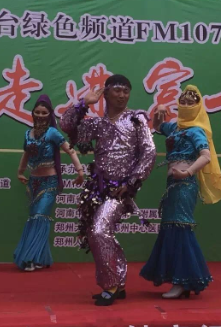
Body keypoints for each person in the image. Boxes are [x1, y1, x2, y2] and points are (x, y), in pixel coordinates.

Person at [60, 74, 156, 306]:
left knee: (100, 230)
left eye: (126, 91)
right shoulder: (98, 124)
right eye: (117, 90)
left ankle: (110, 285)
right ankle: (118, 283)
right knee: (98, 234)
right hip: (97, 189)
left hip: (120, 190)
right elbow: (67, 126)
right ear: (106, 93)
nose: (122, 95)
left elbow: (149, 151)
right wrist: (84, 103)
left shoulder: (136, 119)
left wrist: (131, 183)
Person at [140, 85, 221, 299]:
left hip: (185, 185)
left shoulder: (196, 131)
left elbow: (205, 156)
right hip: (173, 183)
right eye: (183, 102)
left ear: (198, 107)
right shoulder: (176, 128)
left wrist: (187, 173)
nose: (186, 106)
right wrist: (159, 110)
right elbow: (157, 126)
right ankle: (182, 280)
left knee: (179, 226)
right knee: (172, 226)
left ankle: (182, 281)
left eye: (190, 103)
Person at [14, 94, 84, 272]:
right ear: (33, 113)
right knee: (35, 218)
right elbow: (26, 154)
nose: (40, 115)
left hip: (49, 182)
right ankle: (41, 257)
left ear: (50, 114)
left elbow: (70, 151)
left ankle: (30, 258)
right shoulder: (28, 134)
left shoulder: (52, 133)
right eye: (37, 112)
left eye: (44, 113)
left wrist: (80, 171)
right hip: (33, 182)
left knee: (40, 216)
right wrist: (20, 171)